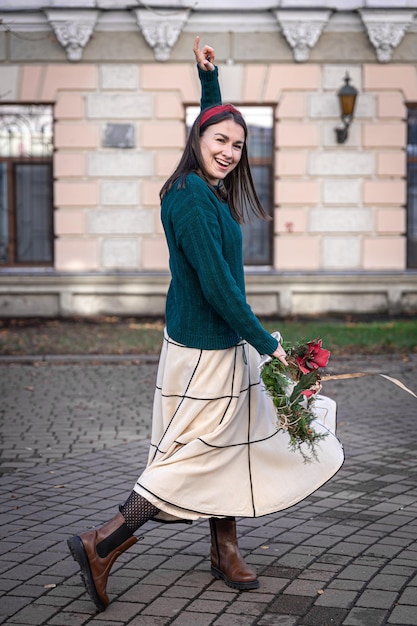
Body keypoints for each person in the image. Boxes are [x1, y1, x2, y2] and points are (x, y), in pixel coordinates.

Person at [67, 36, 343, 613]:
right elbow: (218, 287)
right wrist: (269, 344)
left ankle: (223, 548)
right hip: (205, 351)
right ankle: (103, 542)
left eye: (239, 145)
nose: (230, 152)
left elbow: (216, 120)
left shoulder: (208, 189)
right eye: (220, 140)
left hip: (217, 344)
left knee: (226, 446)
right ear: (196, 140)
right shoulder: (192, 197)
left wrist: (209, 81)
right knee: (191, 459)